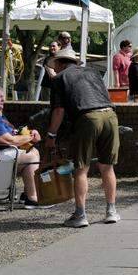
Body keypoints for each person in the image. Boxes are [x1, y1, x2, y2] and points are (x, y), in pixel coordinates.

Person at [43, 46, 121, 227]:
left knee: (81, 169)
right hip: (110, 115)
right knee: (107, 167)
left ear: (60, 63)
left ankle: (80, 215)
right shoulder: (92, 72)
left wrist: (51, 135)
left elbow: (59, 110)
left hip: (87, 118)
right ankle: (111, 211)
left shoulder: (60, 78)